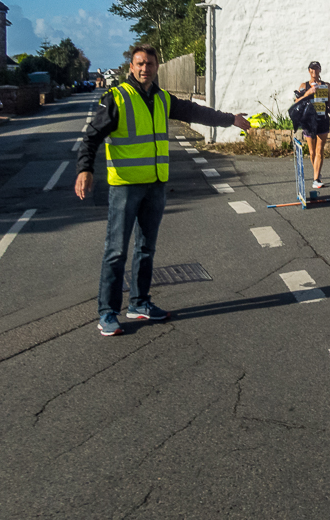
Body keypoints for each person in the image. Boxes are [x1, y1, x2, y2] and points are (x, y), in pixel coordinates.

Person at [75, 43, 250, 337]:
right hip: (125, 187)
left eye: (150, 64)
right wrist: (85, 169)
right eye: (140, 64)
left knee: (146, 248)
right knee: (116, 251)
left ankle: (140, 303)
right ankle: (107, 312)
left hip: (155, 184)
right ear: (132, 67)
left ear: (157, 67)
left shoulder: (162, 98)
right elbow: (92, 136)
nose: (145, 69)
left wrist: (230, 119)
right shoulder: (116, 97)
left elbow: (195, 112)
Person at [293, 61, 330, 189]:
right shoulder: (303, 86)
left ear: (320, 70)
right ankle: (317, 172)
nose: (314, 71)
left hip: (323, 119)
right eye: (312, 69)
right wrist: (307, 93)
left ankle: (316, 178)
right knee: (312, 151)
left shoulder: (326, 86)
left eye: (316, 68)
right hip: (308, 121)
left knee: (319, 150)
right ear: (309, 71)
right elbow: (296, 102)